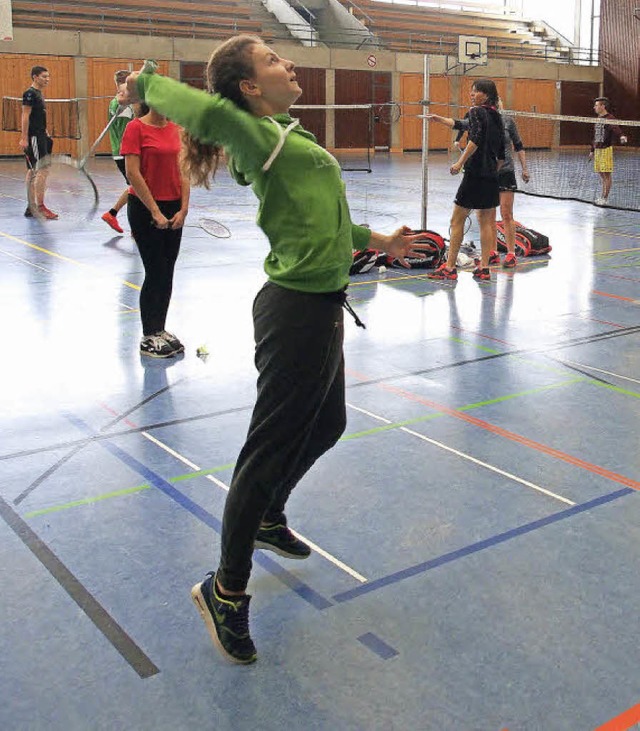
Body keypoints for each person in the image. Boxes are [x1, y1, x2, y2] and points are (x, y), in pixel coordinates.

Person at [125, 34, 432, 664]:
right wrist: (146, 85)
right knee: (266, 452)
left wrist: (381, 240)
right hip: (294, 312)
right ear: (248, 87)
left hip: (320, 305)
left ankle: (268, 516)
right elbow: (207, 114)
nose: (287, 64)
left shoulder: (292, 137)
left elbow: (329, 220)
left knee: (330, 423)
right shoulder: (260, 138)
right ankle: (226, 590)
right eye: (271, 61)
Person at [119, 102, 190, 358]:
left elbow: (184, 171)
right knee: (155, 270)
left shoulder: (177, 130)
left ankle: (161, 330)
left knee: (168, 271)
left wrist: (183, 209)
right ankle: (149, 335)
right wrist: (155, 211)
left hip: (174, 206)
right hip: (144, 206)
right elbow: (133, 173)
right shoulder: (135, 128)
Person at [425, 78, 505, 282]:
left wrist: (460, 163)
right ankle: (484, 268)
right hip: (491, 175)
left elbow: (475, 138)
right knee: (486, 222)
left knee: (456, 220)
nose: (471, 94)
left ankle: (450, 267)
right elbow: (500, 151)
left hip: (474, 174)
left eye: (476, 91)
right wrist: (440, 119)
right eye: (471, 91)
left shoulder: (478, 111)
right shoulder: (496, 116)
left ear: (485, 95)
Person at [20, 65, 57, 220]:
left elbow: (38, 116)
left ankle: (31, 205)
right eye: (44, 77)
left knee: (32, 170)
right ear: (35, 77)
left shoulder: (38, 94)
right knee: (42, 170)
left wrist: (45, 131)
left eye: (48, 77)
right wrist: (24, 137)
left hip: (41, 135)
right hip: (34, 137)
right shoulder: (29, 94)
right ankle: (40, 207)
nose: (47, 79)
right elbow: (25, 115)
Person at [101, 70, 136, 234]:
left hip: (129, 152)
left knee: (136, 188)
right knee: (137, 191)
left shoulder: (127, 102)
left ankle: (112, 214)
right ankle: (136, 229)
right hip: (125, 152)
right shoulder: (120, 104)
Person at [590, 97, 627, 206]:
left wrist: (622, 136)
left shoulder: (610, 118)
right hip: (598, 150)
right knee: (602, 175)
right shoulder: (597, 119)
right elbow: (596, 136)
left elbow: (616, 129)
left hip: (606, 150)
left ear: (603, 106)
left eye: (596, 105)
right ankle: (602, 196)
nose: (594, 107)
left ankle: (605, 198)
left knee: (607, 175)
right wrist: (592, 150)